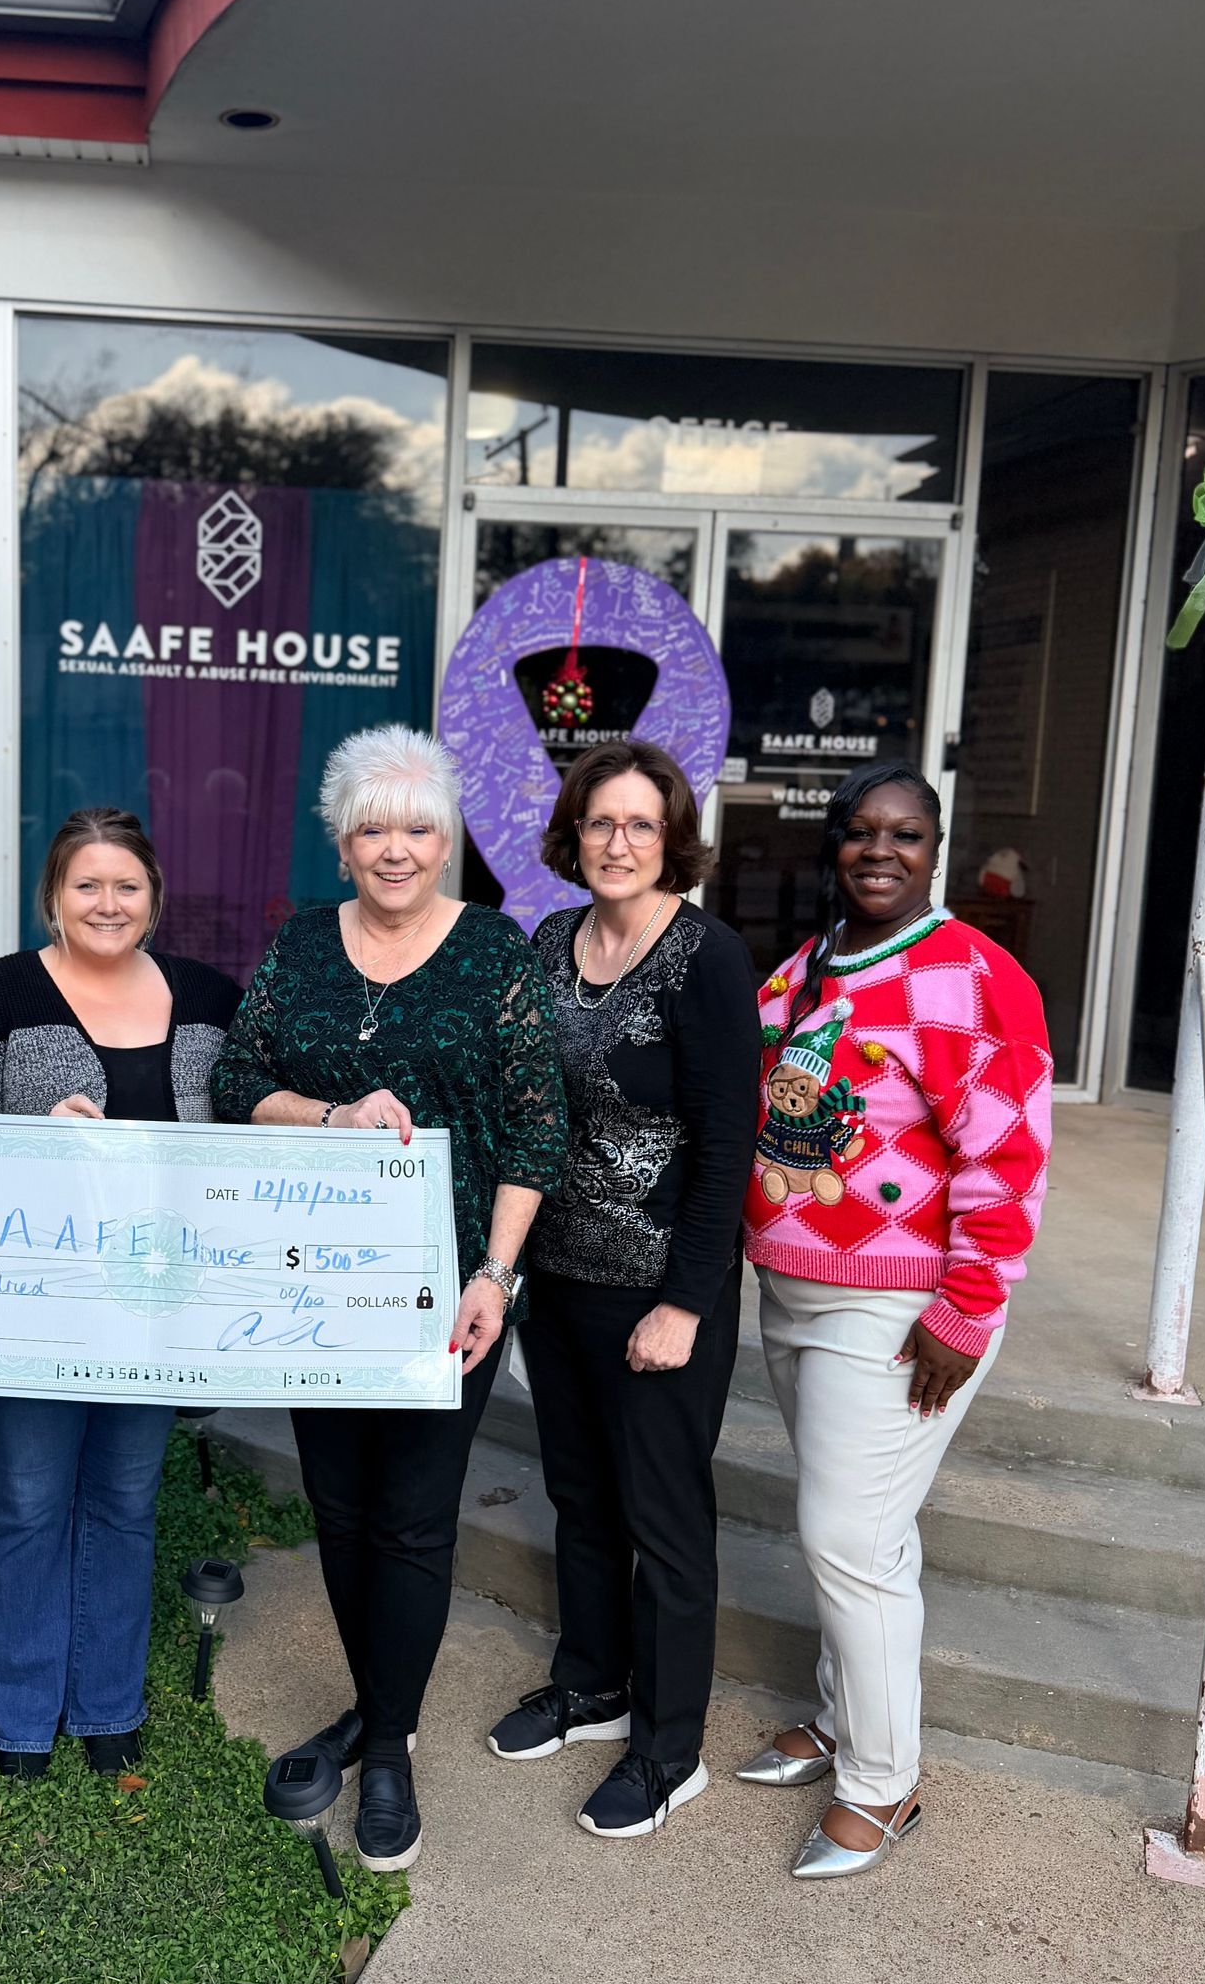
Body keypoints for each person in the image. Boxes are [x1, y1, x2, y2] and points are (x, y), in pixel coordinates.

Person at [212, 724, 568, 1872]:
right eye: (373, 826)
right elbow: (235, 1077)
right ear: (342, 839)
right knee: (342, 1506)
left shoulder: (495, 956)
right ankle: (375, 1702)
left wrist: (495, 1277)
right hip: (317, 1293)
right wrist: (329, 1115)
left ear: (449, 833)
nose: (398, 848)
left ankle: (394, 1748)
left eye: (418, 825)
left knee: (413, 1520)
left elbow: (534, 1133)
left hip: (446, 1293)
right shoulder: (303, 946)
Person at [737, 761, 1052, 1877]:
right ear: (834, 846)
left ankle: (884, 1783)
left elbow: (1009, 1158)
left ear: (937, 847)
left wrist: (967, 1311)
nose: (881, 850)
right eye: (861, 831)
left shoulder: (977, 976)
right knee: (863, 1536)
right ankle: (840, 1722)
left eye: (905, 834)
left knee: (847, 1537)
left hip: (901, 1307)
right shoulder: (803, 970)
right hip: (793, 1288)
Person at [0, 808, 239, 1780]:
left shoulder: (211, 998)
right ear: (52, 895)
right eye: (86, 884)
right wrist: (31, 1132)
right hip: (30, 1309)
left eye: (126, 885)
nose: (108, 902)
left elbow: (259, 1123)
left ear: (154, 895)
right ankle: (20, 1717)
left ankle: (107, 1704)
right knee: (24, 1500)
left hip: (153, 1306)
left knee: (125, 1500)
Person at [486, 741, 760, 1840]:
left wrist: (686, 1303)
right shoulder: (552, 942)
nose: (618, 842)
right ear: (573, 832)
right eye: (601, 822)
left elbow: (728, 1143)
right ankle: (592, 1683)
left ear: (672, 838)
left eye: (641, 824)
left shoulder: (708, 956)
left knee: (665, 1518)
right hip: (560, 1280)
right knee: (582, 1499)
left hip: (661, 1292)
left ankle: (668, 1746)